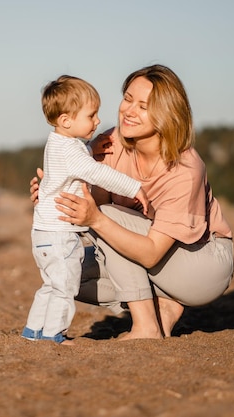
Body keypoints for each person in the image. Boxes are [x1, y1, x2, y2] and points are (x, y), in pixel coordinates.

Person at [30, 65, 234, 341]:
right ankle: (164, 303)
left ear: (167, 113)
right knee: (66, 273)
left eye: (143, 106)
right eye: (127, 99)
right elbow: (92, 200)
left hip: (201, 264)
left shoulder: (186, 169)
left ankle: (146, 327)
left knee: (106, 217)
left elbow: (144, 249)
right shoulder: (110, 143)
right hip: (151, 256)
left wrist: (96, 218)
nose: (129, 110)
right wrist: (56, 194)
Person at [22, 75, 149, 344]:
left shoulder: (58, 143)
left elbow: (75, 161)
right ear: (66, 120)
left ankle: (33, 330)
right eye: (91, 115)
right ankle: (54, 334)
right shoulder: (72, 152)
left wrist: (91, 147)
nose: (98, 121)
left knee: (50, 285)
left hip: (43, 234)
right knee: (65, 287)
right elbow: (94, 172)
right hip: (59, 236)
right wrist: (134, 187)